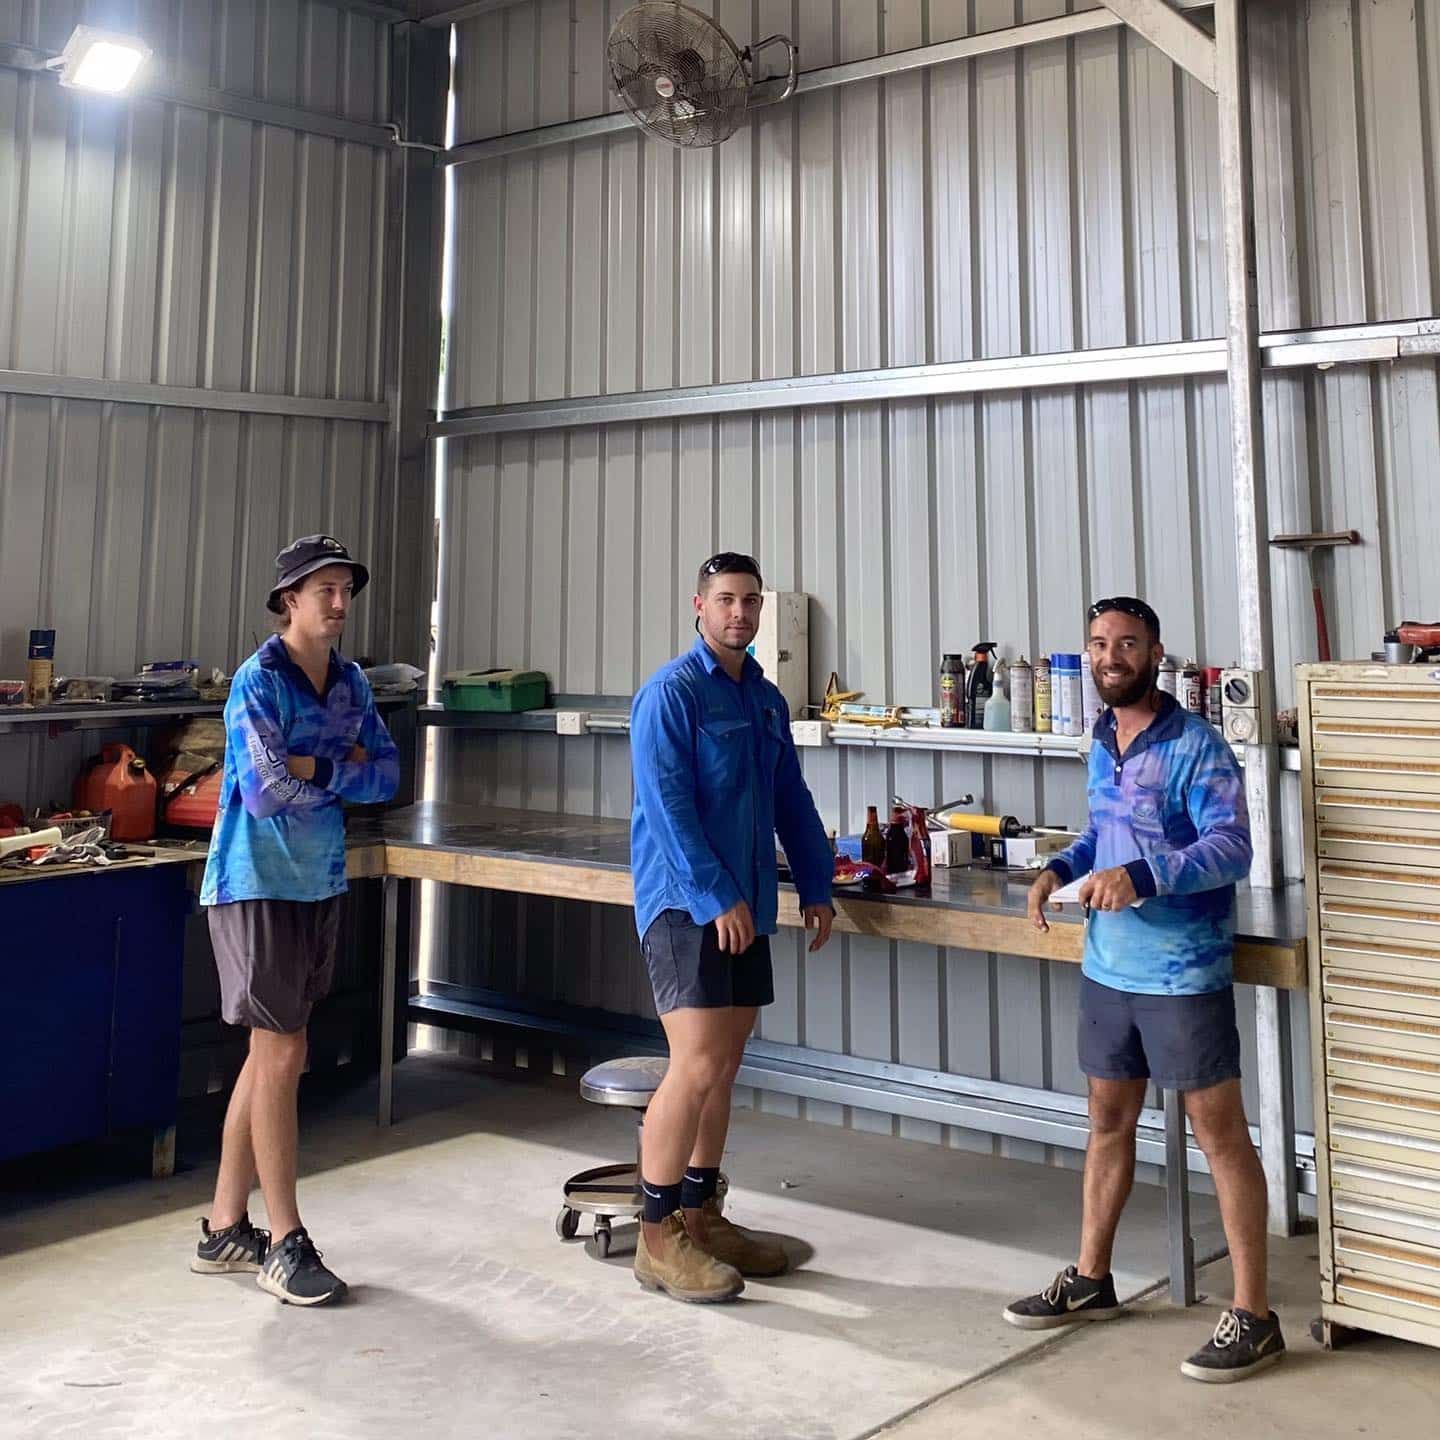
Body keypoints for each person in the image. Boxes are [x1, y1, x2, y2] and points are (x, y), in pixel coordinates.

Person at [1004, 596, 1284, 1382]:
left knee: (1218, 1134)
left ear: (1156, 652)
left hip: (1182, 970)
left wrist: (1146, 875)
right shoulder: (1101, 737)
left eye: (1127, 643)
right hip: (1108, 968)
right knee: (1107, 1121)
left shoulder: (1195, 745)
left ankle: (1255, 1316)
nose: (1110, 656)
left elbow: (1232, 847)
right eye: (1098, 643)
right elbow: (1105, 831)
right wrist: (1061, 868)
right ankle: (1092, 1278)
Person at [192, 535, 399, 1306]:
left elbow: (386, 773)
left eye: (347, 590)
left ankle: (223, 1227)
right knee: (282, 1053)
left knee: (274, 1051)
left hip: (318, 877)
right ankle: (285, 1239)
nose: (340, 605)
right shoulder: (257, 682)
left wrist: (316, 767)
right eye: (325, 592)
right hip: (256, 882)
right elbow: (266, 790)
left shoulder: (350, 682)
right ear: (289, 600)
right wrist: (330, 772)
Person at [627, 551, 835, 1302]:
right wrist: (715, 896)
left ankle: (699, 1211)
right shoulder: (671, 695)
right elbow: (668, 809)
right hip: (689, 906)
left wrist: (816, 883)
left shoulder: (765, 700)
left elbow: (792, 801)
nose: (740, 614)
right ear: (699, 606)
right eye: (726, 601)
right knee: (697, 1064)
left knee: (727, 1060)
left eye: (750, 602)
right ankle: (656, 1237)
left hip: (744, 905)